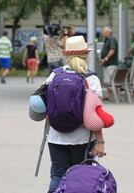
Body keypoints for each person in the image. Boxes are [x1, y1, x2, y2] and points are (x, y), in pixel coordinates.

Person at [44, 36, 106, 193]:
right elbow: (95, 114)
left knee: (57, 177)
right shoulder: (91, 79)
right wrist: (100, 141)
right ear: (86, 54)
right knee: (80, 180)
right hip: (83, 138)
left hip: (55, 137)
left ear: (66, 55)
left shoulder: (54, 76)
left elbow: (44, 107)